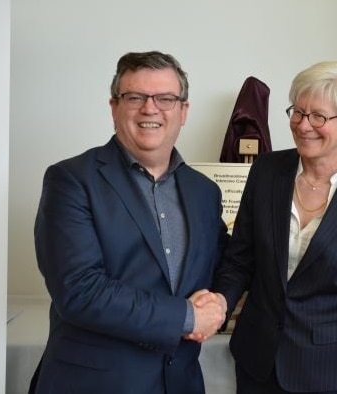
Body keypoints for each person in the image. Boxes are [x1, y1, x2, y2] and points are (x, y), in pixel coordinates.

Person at [33, 51, 228, 394]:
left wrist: (221, 302)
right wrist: (187, 317)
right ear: (114, 107)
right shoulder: (71, 180)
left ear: (183, 111)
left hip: (179, 382)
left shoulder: (205, 192)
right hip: (94, 384)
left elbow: (225, 262)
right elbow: (80, 290)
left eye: (166, 98)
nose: (150, 109)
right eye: (135, 97)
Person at [201, 61, 337, 393]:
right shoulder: (266, 171)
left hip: (333, 375)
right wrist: (219, 302)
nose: (303, 125)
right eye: (298, 111)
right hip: (258, 365)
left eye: (318, 116)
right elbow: (240, 259)